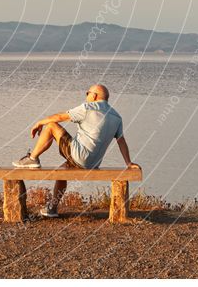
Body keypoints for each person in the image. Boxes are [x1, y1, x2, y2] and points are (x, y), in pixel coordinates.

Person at [12, 84, 139, 217]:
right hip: (93, 164)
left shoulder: (87, 108)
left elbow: (59, 117)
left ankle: (32, 158)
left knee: (51, 126)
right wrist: (128, 163)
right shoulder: (117, 117)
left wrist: (39, 123)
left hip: (79, 156)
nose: (86, 96)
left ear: (94, 96)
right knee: (62, 171)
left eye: (87, 93)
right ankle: (52, 208)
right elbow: (121, 141)